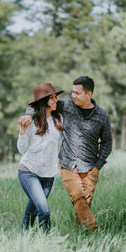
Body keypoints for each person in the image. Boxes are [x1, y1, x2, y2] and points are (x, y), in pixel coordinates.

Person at [19, 76, 112, 232]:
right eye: (72, 92)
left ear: (88, 94)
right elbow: (39, 103)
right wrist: (29, 114)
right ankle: (94, 232)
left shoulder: (102, 116)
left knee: (82, 205)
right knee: (78, 197)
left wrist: (97, 166)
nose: (72, 96)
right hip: (68, 165)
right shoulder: (66, 106)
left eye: (77, 93)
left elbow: (107, 143)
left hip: (90, 168)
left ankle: (80, 235)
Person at [17, 83, 64, 232]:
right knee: (44, 211)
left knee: (31, 213)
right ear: (44, 101)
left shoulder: (59, 119)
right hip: (29, 171)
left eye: (56, 97)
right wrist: (23, 131)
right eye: (52, 98)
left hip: (49, 175)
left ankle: (22, 240)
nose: (56, 100)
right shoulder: (31, 121)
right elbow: (22, 149)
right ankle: (47, 241)